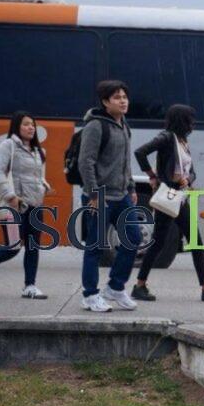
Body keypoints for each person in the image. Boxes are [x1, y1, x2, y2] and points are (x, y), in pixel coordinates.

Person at [132, 104, 204, 302]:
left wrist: (188, 180)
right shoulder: (167, 137)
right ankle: (140, 285)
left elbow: (190, 171)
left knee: (189, 242)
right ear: (181, 120)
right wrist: (153, 177)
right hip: (170, 197)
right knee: (164, 242)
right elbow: (140, 152)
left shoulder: (182, 141)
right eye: (190, 120)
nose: (193, 124)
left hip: (180, 197)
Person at [0, 111, 51, 299]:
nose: (31, 127)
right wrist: (10, 197)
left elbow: (37, 176)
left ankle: (30, 286)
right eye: (26, 124)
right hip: (15, 206)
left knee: (33, 246)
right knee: (13, 246)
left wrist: (43, 186)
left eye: (33, 124)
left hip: (35, 205)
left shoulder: (38, 151)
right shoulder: (8, 145)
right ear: (16, 126)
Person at [78, 80, 140, 313]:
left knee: (133, 238)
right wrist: (94, 192)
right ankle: (90, 295)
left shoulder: (123, 124)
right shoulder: (95, 126)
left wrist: (132, 187)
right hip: (100, 195)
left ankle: (115, 287)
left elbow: (125, 162)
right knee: (95, 246)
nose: (123, 101)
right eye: (117, 97)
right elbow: (86, 162)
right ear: (105, 102)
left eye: (124, 96)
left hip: (121, 194)